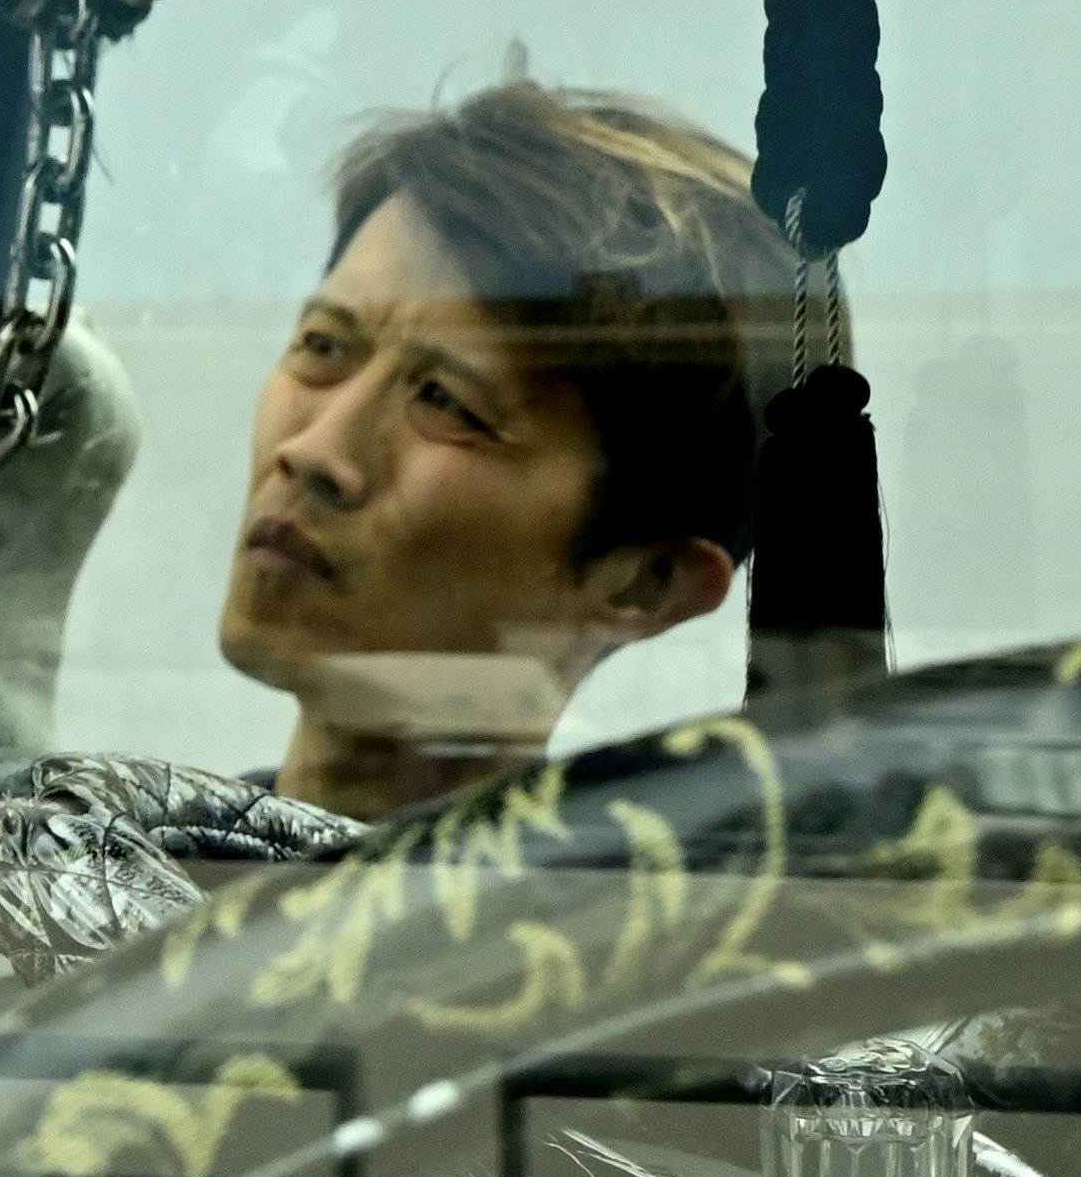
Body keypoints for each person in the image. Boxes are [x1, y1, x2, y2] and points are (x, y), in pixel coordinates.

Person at [218, 79, 797, 815]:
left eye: (447, 403)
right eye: (324, 346)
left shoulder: (634, 929)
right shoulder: (112, 876)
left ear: (646, 583)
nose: (314, 448)